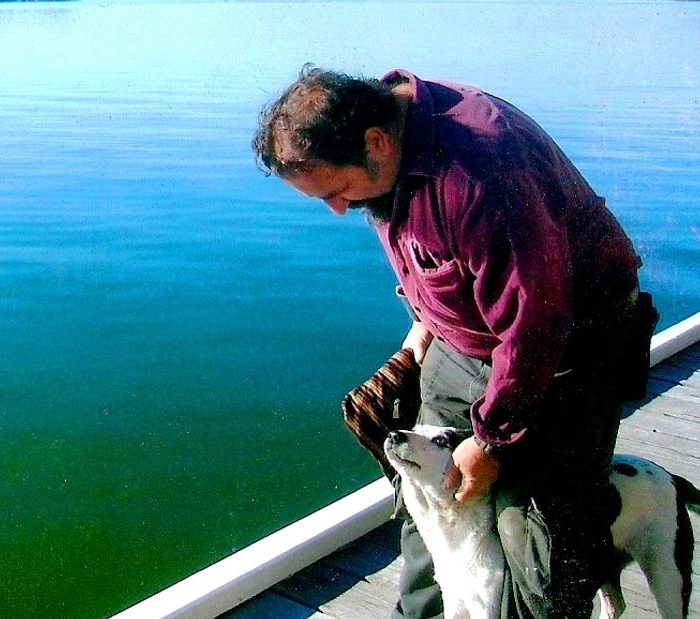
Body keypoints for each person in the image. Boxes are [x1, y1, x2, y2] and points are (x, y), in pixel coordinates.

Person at [252, 66, 657, 618]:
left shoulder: (483, 168)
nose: (338, 208)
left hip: (567, 348)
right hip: (464, 342)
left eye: (338, 190)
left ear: (375, 142)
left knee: (537, 537)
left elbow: (536, 322)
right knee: (426, 496)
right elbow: (435, 255)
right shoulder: (386, 151)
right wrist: (421, 331)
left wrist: (490, 444)